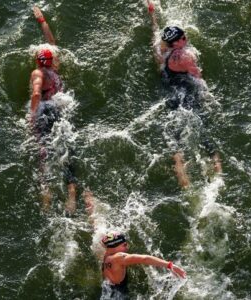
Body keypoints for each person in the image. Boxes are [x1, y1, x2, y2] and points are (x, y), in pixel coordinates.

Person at [147, 1, 222, 188]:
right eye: (183, 36)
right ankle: (218, 170)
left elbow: (154, 31)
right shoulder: (187, 57)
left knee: (176, 135)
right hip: (185, 90)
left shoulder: (160, 48)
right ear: (177, 43)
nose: (185, 36)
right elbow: (198, 78)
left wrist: (152, 14)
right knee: (203, 129)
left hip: (168, 87)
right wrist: (208, 96)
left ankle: (182, 175)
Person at [83, 192, 187, 298]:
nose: (127, 246)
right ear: (115, 246)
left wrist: (89, 204)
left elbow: (96, 226)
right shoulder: (119, 258)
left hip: (107, 290)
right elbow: (144, 259)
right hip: (118, 295)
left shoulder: (105, 254)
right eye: (124, 244)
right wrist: (170, 265)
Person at [30, 6, 77, 213]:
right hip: (61, 107)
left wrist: (32, 114)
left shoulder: (38, 73)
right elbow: (52, 43)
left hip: (45, 112)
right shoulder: (55, 69)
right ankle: (72, 195)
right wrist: (42, 20)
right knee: (66, 150)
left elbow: (36, 94)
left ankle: (46, 199)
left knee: (44, 155)